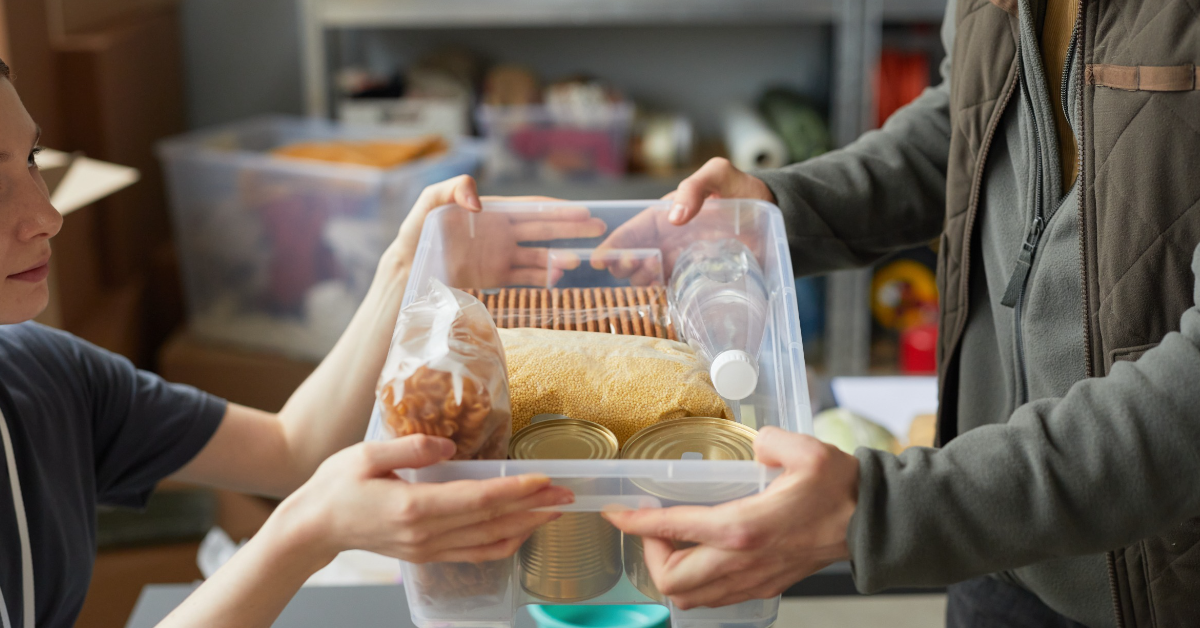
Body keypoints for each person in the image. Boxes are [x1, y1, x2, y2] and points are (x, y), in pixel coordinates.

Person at [601, 1, 1200, 626]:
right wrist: (783, 211)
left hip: (1162, 582)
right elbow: (971, 122)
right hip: (993, 547)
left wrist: (888, 512)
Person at [0, 57, 609, 628]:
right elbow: (302, 497)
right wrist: (306, 532)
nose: (46, 215)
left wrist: (408, 264)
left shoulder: (43, 373)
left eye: (30, 158)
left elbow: (289, 451)